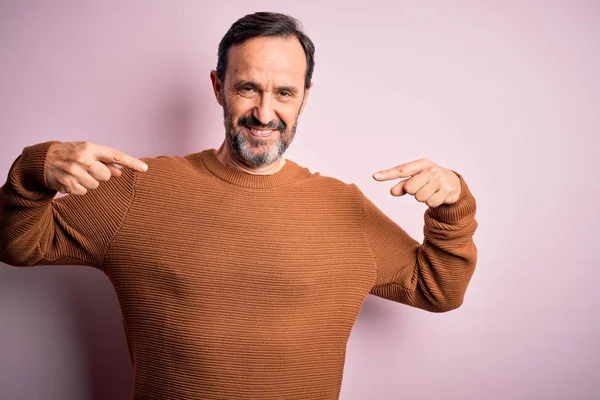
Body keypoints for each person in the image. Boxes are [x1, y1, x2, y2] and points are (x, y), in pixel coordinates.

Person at [0, 11, 478, 400]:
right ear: (218, 87)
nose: (265, 113)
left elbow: (440, 290)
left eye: (284, 93)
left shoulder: (344, 210)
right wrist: (33, 170)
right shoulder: (138, 191)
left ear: (304, 99)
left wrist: (452, 205)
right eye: (248, 87)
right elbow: (18, 245)